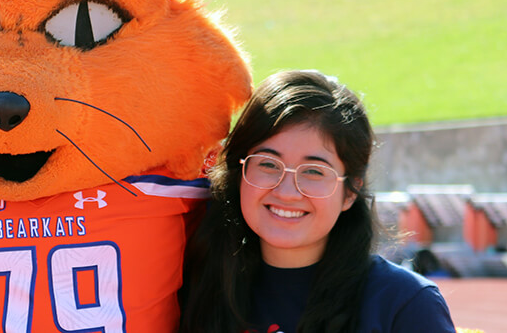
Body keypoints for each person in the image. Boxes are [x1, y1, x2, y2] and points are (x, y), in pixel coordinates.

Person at [180, 70, 456, 332]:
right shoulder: (198, 289)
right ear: (239, 173)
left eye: (313, 171)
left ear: (350, 192)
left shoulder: (404, 305)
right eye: (268, 164)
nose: (287, 191)